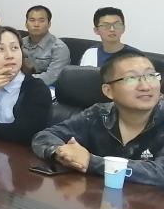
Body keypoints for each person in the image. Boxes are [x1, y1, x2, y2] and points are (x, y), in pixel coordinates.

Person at [32, 51, 164, 186]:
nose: (146, 86)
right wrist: (62, 154)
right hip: (96, 195)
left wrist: (92, 162)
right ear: (108, 91)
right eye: (131, 78)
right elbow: (44, 136)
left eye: (151, 75)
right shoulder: (99, 114)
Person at [21, 4, 70, 86]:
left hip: (47, 87)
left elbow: (51, 77)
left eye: (41, 21)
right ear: (26, 24)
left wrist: (19, 80)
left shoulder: (59, 48)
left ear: (49, 24)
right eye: (32, 20)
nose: (36, 24)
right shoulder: (19, 43)